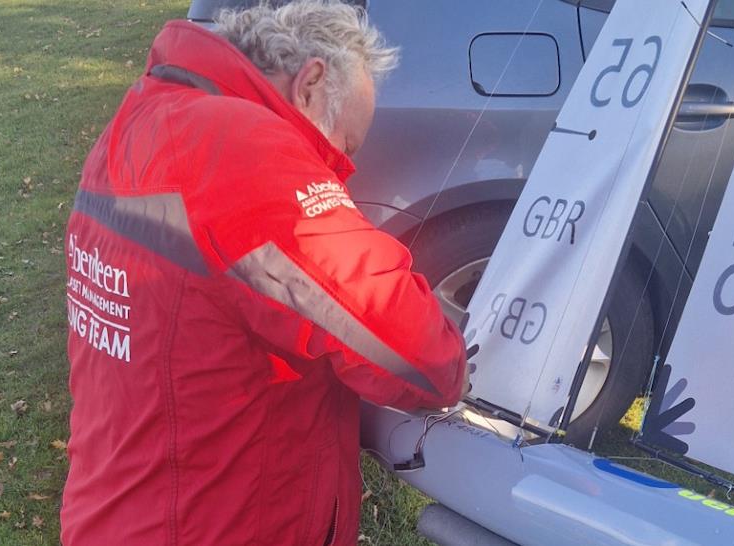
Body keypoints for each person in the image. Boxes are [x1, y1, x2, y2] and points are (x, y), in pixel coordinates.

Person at [61, 1, 468, 544]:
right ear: (311, 83)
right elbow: (418, 354)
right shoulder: (241, 149)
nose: (341, 169)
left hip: (120, 507)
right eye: (343, 146)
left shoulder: (142, 117)